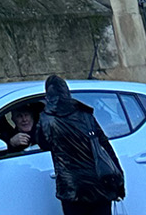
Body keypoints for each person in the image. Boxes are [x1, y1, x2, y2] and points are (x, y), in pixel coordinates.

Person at [35, 75, 125, 214]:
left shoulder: (47, 119)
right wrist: (119, 182)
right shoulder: (85, 113)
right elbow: (105, 147)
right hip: (99, 186)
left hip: (72, 189)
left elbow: (43, 144)